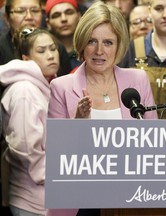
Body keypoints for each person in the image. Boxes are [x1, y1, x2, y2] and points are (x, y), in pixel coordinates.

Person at [46, 2, 157, 215]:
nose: (99, 51)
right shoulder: (61, 87)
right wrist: (78, 124)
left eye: (108, 42)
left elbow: (153, 142)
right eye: (91, 41)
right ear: (81, 44)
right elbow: (54, 156)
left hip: (129, 199)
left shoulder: (137, 80)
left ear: (119, 45)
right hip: (79, 203)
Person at [0, 26, 60, 216]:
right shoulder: (24, 91)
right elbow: (26, 149)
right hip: (31, 202)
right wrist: (58, 176)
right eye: (42, 51)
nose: (50, 55)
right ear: (26, 59)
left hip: (48, 198)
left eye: (53, 48)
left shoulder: (49, 84)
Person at [0, 0, 71, 77]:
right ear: (7, 17)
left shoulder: (55, 45)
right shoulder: (1, 47)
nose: (29, 17)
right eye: (21, 11)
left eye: (35, 10)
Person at [46, 0, 82, 69]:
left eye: (69, 13)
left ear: (79, 16)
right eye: (56, 15)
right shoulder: (46, 56)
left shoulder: (90, 50)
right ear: (48, 23)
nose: (64, 19)